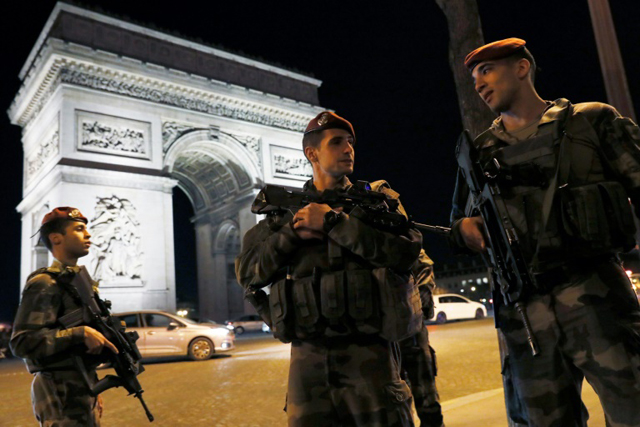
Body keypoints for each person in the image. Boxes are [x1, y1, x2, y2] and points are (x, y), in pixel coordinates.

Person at [450, 37, 640, 426]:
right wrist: (466, 229)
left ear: (522, 68)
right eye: (473, 80)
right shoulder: (480, 152)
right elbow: (459, 220)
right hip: (525, 313)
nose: (479, 84)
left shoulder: (590, 121)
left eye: (487, 71)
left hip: (597, 297)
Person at [236, 111, 424, 426]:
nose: (348, 149)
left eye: (350, 142)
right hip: (307, 361)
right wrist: (290, 235)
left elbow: (406, 252)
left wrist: (334, 223)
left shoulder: (377, 203)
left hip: (371, 356)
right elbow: (248, 273)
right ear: (312, 153)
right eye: (336, 142)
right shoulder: (285, 214)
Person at [10, 207, 118, 427]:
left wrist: (93, 387)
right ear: (56, 238)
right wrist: (79, 333)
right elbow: (21, 342)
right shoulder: (44, 283)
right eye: (79, 229)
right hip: (57, 393)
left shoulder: (79, 285)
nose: (88, 234)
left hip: (81, 388)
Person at [399, 249, 444, 426]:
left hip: (411, 332)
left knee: (426, 400)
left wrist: (420, 309)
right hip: (391, 334)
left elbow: (424, 267)